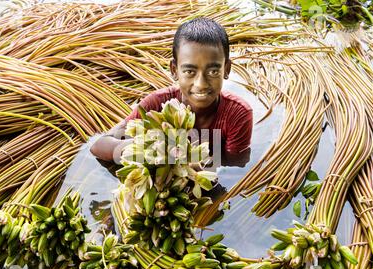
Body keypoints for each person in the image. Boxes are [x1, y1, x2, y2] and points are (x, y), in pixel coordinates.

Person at [90, 17, 253, 167]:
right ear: (174, 70)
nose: (201, 84)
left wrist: (192, 163)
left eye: (213, 72)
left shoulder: (237, 114)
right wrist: (148, 147)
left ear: (226, 69)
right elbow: (99, 146)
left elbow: (235, 170)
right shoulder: (157, 104)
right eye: (190, 71)